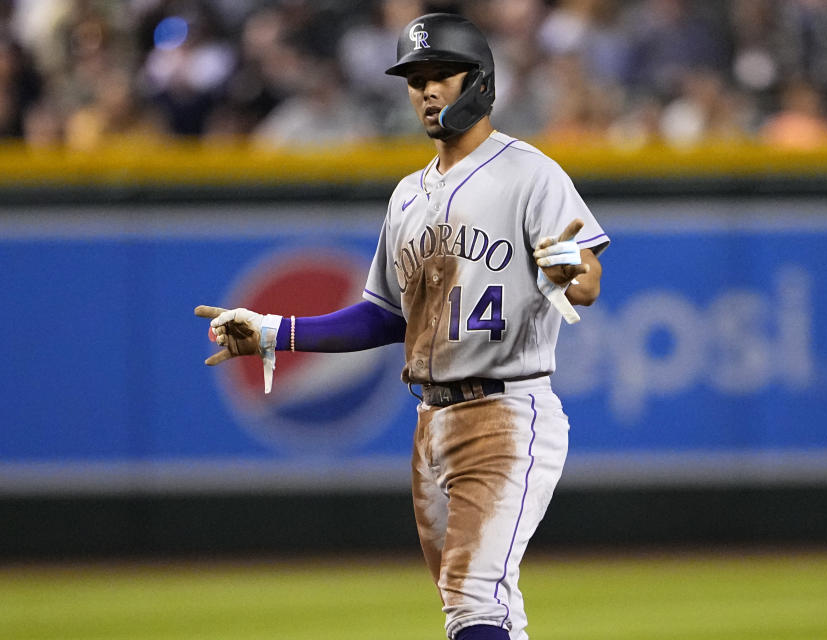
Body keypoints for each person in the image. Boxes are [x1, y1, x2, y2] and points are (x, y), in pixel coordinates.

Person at [195, 12, 609, 640]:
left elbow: (586, 280)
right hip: (431, 422)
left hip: (505, 410)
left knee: (475, 600)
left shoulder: (531, 173)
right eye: (416, 79)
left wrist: (567, 270)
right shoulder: (407, 196)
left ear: (481, 80)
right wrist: (277, 333)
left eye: (442, 73)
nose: (427, 90)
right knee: (478, 608)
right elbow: (384, 316)